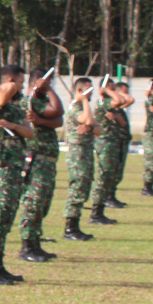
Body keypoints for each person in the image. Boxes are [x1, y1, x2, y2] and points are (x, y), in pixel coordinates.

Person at [0, 64, 35, 285]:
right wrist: (2, 87)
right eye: (21, 81)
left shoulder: (16, 107)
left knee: (6, 219)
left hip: (14, 168)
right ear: (11, 80)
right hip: (2, 167)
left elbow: (29, 133)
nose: (22, 87)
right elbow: (2, 95)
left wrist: (13, 124)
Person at [17, 69, 63, 263]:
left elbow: (59, 119)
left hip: (47, 160)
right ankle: (27, 246)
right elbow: (57, 111)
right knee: (34, 202)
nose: (49, 85)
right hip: (37, 158)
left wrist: (43, 120)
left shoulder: (40, 100)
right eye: (47, 81)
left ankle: (35, 243)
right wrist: (46, 88)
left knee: (43, 203)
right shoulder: (30, 100)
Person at [88, 79, 132, 225]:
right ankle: (96, 213)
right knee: (104, 178)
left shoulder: (110, 106)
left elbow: (125, 101)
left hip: (112, 144)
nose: (114, 92)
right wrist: (105, 90)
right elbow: (120, 99)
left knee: (109, 177)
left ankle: (99, 211)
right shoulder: (103, 103)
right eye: (111, 89)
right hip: (105, 144)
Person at [61, 79, 96, 241]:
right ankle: (70, 228)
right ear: (80, 91)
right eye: (89, 90)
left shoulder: (83, 108)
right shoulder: (75, 107)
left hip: (86, 152)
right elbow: (88, 121)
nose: (92, 93)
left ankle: (75, 226)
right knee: (77, 188)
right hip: (78, 153)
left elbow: (97, 129)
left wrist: (89, 127)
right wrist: (84, 101)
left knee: (84, 187)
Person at [109, 82, 134, 207]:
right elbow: (129, 99)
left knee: (118, 172)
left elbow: (129, 100)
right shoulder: (111, 107)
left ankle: (112, 195)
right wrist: (119, 94)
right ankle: (108, 197)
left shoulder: (118, 109)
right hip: (115, 142)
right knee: (113, 171)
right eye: (125, 91)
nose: (127, 94)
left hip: (122, 141)